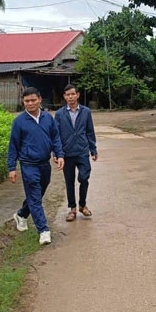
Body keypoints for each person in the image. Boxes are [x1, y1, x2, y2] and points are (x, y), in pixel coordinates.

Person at [8, 87, 64, 245]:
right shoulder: (19, 122)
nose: (30, 103)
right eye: (27, 101)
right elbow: (13, 146)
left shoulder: (47, 118)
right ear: (23, 102)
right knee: (34, 196)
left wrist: (59, 154)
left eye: (33, 100)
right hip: (28, 165)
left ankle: (21, 215)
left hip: (44, 164)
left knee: (37, 195)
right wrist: (11, 168)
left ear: (39, 99)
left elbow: (55, 137)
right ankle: (43, 230)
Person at [55, 83, 98, 222]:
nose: (71, 97)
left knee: (84, 178)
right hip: (67, 153)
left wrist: (93, 149)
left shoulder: (86, 112)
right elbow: (56, 135)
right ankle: (72, 209)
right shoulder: (60, 114)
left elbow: (90, 132)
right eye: (68, 95)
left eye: (73, 94)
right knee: (69, 181)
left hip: (82, 151)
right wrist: (57, 153)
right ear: (64, 97)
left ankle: (83, 205)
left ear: (77, 95)